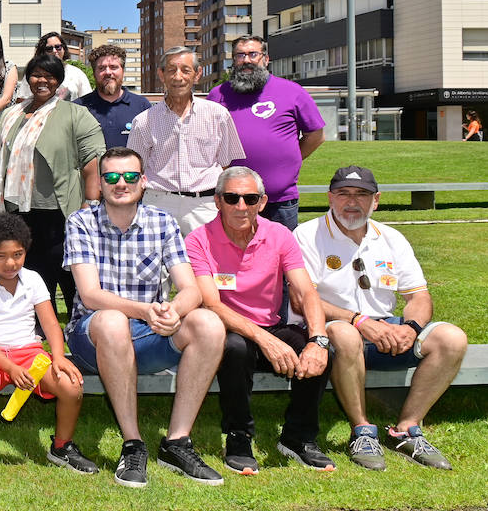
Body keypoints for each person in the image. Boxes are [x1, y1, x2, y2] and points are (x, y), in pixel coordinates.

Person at [63, 146, 227, 488]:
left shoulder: (162, 222)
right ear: (100, 184)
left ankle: (177, 442)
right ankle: (133, 444)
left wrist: (173, 312)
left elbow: (192, 289)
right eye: (110, 177)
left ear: (143, 181)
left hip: (148, 333)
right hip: (91, 337)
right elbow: (90, 295)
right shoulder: (81, 222)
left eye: (129, 176)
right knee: (111, 320)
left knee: (208, 324)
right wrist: (148, 312)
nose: (120, 183)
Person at [295, 165, 469, 471]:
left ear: (376, 200)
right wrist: (360, 322)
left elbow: (419, 297)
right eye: (343, 194)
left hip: (386, 330)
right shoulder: (307, 235)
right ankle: (362, 430)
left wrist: (412, 329)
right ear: (329, 198)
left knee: (452, 338)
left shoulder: (391, 238)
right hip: (333, 332)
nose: (352, 202)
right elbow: (303, 299)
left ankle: (407, 429)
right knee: (345, 334)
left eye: (361, 194)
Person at [187, 167, 334, 475]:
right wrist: (265, 340)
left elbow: (306, 292)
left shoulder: (279, 235)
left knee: (323, 351)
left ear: (262, 202)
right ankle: (239, 436)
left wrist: (318, 339)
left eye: (249, 198)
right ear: (217, 202)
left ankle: (299, 437)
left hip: (270, 325)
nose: (241, 206)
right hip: (227, 328)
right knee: (236, 348)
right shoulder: (198, 240)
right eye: (231, 198)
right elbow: (212, 304)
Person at [0, 213, 95, 478]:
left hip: (29, 353)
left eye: (18, 254)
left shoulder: (32, 279)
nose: (11, 263)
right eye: (1, 256)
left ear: (25, 251)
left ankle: (62, 446)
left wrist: (58, 357)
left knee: (71, 385)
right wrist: (10, 367)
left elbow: (51, 325)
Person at [0, 53, 104, 316]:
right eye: (36, 74)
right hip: (18, 211)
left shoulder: (75, 114)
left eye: (49, 75)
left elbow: (93, 164)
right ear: (28, 78)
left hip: (61, 211)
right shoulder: (12, 114)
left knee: (67, 272)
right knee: (34, 272)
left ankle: (83, 324)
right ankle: (43, 324)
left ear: (59, 81)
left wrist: (90, 205)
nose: (42, 80)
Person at [207, 36, 325, 230]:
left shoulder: (292, 91)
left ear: (266, 59)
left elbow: (316, 135)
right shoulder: (217, 95)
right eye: (240, 55)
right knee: (233, 257)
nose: (246, 60)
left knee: (279, 257)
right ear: (233, 60)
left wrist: (290, 159)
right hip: (233, 200)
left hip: (280, 202)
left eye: (253, 54)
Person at [127, 46, 245, 236]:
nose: (178, 76)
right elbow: (134, 168)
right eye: (171, 70)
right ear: (161, 74)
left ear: (197, 74)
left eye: (185, 70)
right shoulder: (143, 121)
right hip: (159, 202)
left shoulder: (218, 115)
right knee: (157, 264)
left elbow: (225, 163)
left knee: (207, 263)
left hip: (205, 206)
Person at [77, 43, 150, 150]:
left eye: (113, 67)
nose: (108, 72)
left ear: (123, 71)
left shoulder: (142, 106)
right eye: (101, 68)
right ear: (94, 73)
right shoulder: (78, 108)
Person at [36, 31, 91, 101]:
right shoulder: (34, 73)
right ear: (42, 52)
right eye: (49, 49)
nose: (54, 51)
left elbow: (87, 101)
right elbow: (23, 100)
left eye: (58, 47)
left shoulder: (77, 73)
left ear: (64, 49)